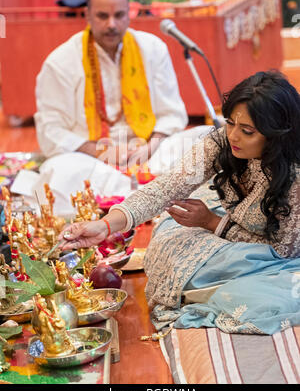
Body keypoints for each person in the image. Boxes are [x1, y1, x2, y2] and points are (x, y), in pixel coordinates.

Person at [59, 70, 300, 335]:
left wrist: (212, 223)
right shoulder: (223, 142)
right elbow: (167, 187)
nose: (233, 136)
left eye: (247, 131)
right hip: (232, 225)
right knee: (168, 239)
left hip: (278, 251)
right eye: (230, 123)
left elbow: (284, 250)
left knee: (250, 293)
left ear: (276, 134)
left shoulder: (294, 175)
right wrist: (105, 226)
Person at [33, 0, 210, 213]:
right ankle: (152, 197)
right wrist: (103, 152)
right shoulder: (60, 62)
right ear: (87, 14)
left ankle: (134, 197)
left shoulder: (153, 49)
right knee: (57, 172)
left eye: (119, 15)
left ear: (129, 12)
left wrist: (147, 148)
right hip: (92, 161)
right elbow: (51, 132)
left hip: (150, 153)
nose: (112, 25)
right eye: (102, 16)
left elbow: (172, 115)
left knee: (208, 138)